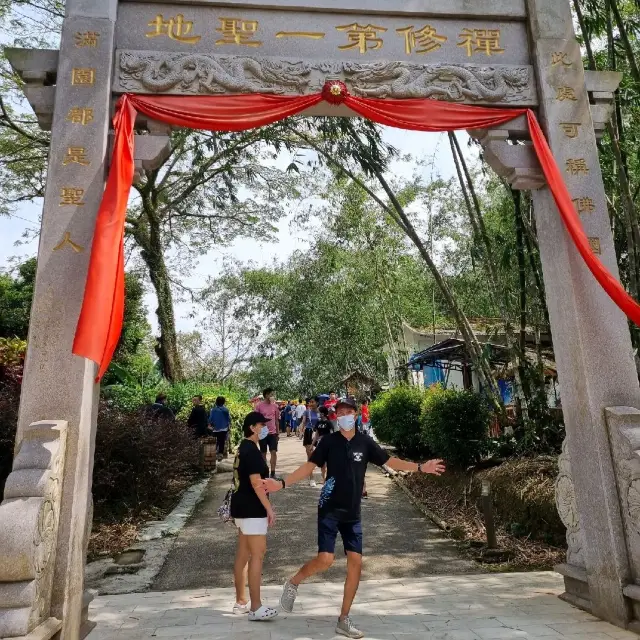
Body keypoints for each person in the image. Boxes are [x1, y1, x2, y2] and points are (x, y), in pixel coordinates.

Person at [263, 398, 446, 639]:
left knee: (356, 564)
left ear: (356, 414)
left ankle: (343, 619)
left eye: (349, 411)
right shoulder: (329, 442)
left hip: (352, 513)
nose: (345, 415)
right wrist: (282, 483)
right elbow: (309, 467)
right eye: (340, 412)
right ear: (335, 417)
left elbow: (390, 461)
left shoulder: (365, 442)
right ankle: (294, 582)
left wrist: (421, 467)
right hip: (328, 509)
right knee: (325, 560)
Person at [231, 411, 278, 622]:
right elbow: (256, 483)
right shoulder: (251, 451)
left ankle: (241, 601)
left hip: (241, 508)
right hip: (252, 509)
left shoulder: (244, 448)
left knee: (243, 553)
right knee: (258, 554)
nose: (264, 428)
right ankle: (256, 607)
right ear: (252, 427)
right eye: (261, 424)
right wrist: (269, 507)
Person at [256, 387, 280, 478]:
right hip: (262, 433)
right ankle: (264, 471)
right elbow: (256, 420)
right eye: (271, 394)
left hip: (272, 433)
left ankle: (273, 473)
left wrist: (277, 433)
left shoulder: (275, 406)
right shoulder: (259, 406)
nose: (272, 396)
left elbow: (277, 420)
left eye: (273, 394)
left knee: (273, 452)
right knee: (263, 453)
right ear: (266, 395)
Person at [300, 397, 320, 487]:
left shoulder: (321, 411)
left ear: (317, 402)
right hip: (309, 432)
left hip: (320, 433)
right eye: (309, 402)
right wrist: (301, 431)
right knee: (310, 455)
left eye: (312, 402)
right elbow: (304, 422)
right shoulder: (306, 412)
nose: (311, 404)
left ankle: (325, 477)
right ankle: (311, 478)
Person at [313, 405, 332, 483]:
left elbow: (332, 433)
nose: (318, 414)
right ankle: (324, 479)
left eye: (319, 412)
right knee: (322, 463)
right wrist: (312, 444)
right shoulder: (318, 422)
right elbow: (316, 434)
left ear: (323, 413)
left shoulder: (328, 422)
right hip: (320, 444)